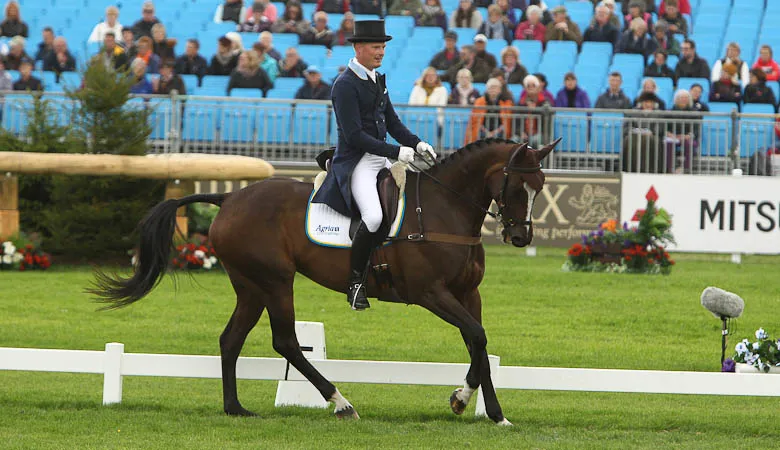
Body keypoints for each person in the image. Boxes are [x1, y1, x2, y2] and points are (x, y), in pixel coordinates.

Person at [310, 20, 436, 311]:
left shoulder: (377, 79)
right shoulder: (345, 85)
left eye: (383, 47)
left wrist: (417, 144)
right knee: (374, 217)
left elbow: (392, 123)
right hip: (357, 162)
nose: (381, 52)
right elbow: (354, 135)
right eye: (376, 47)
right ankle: (355, 283)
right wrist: (397, 151)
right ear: (358, 47)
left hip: (380, 158)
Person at [622, 91, 664, 173]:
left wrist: (651, 132)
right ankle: (630, 169)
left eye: (650, 102)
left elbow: (660, 128)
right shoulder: (632, 113)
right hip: (634, 136)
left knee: (649, 141)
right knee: (629, 140)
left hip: (652, 137)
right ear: (641, 103)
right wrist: (634, 130)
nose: (648, 104)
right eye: (646, 102)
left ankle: (649, 169)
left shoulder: (659, 114)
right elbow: (626, 128)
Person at [466, 77, 513, 143]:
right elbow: (476, 121)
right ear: (487, 89)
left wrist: (495, 132)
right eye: (491, 87)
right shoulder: (479, 102)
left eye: (495, 87)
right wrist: (487, 132)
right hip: (482, 131)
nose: (493, 89)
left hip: (500, 132)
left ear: (500, 90)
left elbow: (506, 122)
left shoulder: (506, 103)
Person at [665, 89, 699, 173]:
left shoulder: (694, 112)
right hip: (673, 137)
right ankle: (670, 169)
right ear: (676, 99)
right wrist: (669, 134)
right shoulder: (669, 111)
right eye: (681, 98)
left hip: (687, 137)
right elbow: (665, 127)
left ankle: (686, 168)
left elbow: (696, 129)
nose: (684, 100)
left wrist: (689, 135)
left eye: (686, 98)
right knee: (668, 143)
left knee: (689, 144)